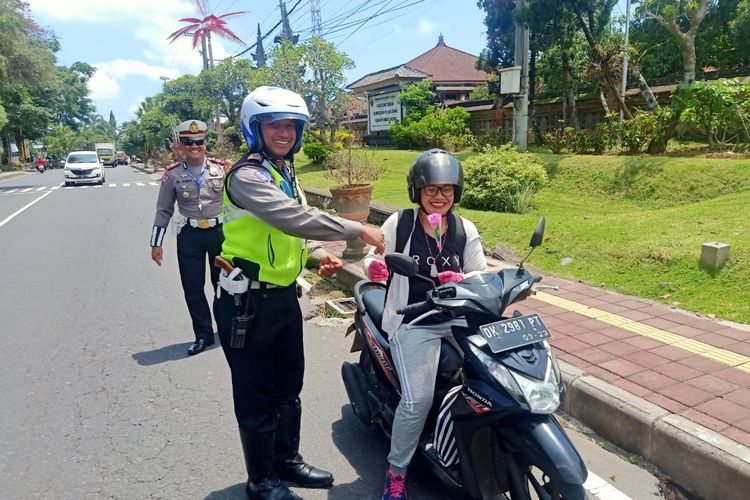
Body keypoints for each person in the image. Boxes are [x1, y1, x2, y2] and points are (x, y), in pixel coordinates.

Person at [214, 86, 385, 500]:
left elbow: (288, 235)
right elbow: (291, 217)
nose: (284, 132)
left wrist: (316, 257)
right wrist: (354, 228)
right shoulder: (247, 176)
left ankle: (286, 461)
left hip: (284, 299)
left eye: (291, 125)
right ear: (255, 128)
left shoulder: (284, 173)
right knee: (257, 394)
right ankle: (261, 480)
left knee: (288, 386)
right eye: (274, 124)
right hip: (246, 302)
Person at [362, 149, 487, 500]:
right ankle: (397, 471)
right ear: (416, 190)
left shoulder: (464, 228)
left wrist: (462, 278)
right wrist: (374, 268)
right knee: (416, 401)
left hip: (457, 318)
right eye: (431, 189)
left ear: (456, 193)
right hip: (413, 319)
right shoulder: (399, 223)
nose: (439, 196)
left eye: (447, 189)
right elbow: (374, 259)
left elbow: (480, 273)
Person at [149, 119, 228, 356]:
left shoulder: (222, 169)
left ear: (205, 143)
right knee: (193, 287)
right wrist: (156, 242)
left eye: (198, 141)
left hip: (219, 234)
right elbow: (164, 210)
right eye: (188, 142)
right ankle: (203, 335)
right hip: (189, 235)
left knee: (224, 285)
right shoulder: (171, 175)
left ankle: (226, 329)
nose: (194, 146)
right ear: (181, 145)